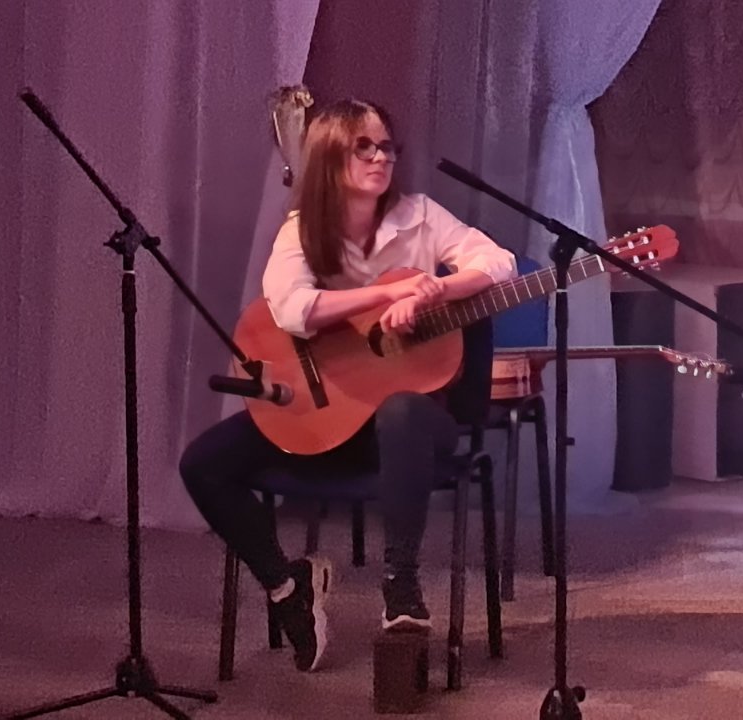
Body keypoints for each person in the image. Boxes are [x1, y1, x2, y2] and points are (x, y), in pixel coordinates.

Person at [179, 99, 516, 672]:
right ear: (331, 156)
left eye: (387, 146)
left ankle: (401, 587)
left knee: (401, 410)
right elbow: (290, 308)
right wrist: (386, 294)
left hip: (412, 430)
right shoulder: (303, 230)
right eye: (365, 147)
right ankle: (287, 587)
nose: (381, 157)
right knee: (202, 463)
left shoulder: (420, 216)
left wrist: (437, 290)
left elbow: (499, 262)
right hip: (326, 412)